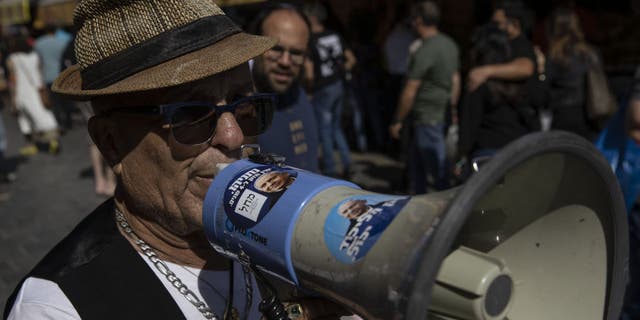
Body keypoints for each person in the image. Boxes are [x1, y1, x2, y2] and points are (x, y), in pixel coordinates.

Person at [4, 1, 347, 319]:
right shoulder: (57, 307)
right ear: (111, 143)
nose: (233, 136)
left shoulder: (273, 228)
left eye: (243, 105)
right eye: (191, 114)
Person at [389, 1, 460, 194]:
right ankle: (418, 199)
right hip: (440, 111)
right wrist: (452, 109)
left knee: (437, 170)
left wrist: (398, 119)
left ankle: (446, 210)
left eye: (413, 19)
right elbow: (455, 80)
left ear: (419, 20)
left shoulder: (425, 50)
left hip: (426, 115)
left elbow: (410, 89)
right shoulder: (449, 44)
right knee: (418, 164)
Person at [251, 4, 320, 173]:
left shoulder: (298, 92)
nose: (285, 62)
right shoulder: (234, 108)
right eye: (276, 49)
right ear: (253, 46)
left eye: (296, 53)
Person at [456, 25, 529, 178]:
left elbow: (468, 126)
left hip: (485, 158)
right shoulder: (518, 84)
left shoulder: (476, 84)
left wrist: (460, 158)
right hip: (518, 154)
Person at [303, 1, 357, 178]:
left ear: (311, 18)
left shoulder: (310, 40)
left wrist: (309, 90)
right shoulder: (335, 35)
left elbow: (309, 74)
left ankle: (330, 169)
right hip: (338, 85)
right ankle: (348, 163)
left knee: (324, 130)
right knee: (336, 128)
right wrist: (341, 71)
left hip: (322, 88)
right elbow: (351, 60)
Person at [546, 8, 600, 141]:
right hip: (591, 111)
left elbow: (544, 89)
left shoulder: (555, 56)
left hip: (563, 113)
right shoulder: (590, 53)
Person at [6, 35, 60, 156]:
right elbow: (40, 73)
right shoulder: (35, 56)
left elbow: (13, 80)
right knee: (43, 114)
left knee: (26, 120)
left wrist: (13, 99)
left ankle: (33, 145)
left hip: (22, 93)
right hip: (37, 91)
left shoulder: (13, 59)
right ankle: (53, 141)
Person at [34, 26, 73, 131]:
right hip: (63, 75)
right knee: (66, 100)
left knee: (55, 103)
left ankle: (59, 122)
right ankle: (68, 121)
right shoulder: (63, 42)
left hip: (48, 76)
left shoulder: (39, 43)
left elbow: (39, 62)